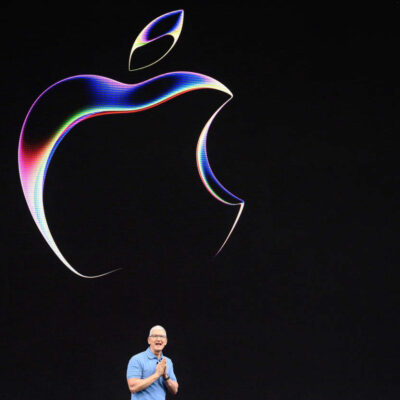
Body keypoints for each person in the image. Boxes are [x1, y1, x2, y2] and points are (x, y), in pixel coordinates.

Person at [127, 325, 179, 399]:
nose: (158, 339)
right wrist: (157, 374)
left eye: (162, 336)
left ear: (166, 341)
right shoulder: (136, 359)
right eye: (155, 336)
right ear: (149, 340)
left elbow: (175, 390)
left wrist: (165, 376)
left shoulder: (167, 361)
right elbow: (133, 387)